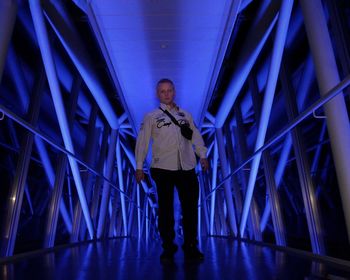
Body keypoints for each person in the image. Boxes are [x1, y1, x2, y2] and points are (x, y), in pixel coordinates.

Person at [135, 78, 209, 261]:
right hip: (162, 168)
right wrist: (139, 166)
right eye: (162, 91)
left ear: (174, 92)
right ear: (157, 94)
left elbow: (196, 137)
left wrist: (203, 155)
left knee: (191, 208)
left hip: (187, 167)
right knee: (166, 209)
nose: (166, 94)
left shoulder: (186, 115)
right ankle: (168, 246)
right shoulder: (151, 117)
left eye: (169, 90)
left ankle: (191, 245)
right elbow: (142, 143)